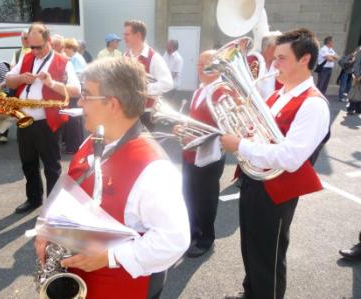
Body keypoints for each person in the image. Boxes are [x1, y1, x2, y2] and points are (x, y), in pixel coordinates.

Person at [35, 57, 189, 298]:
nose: (80, 101)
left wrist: (110, 256)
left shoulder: (155, 170)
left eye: (86, 95)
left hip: (123, 287)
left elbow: (173, 240)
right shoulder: (94, 140)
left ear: (113, 104)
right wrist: (49, 228)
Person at [221, 28, 330, 299]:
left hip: (277, 193)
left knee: (268, 257)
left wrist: (240, 145)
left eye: (281, 58)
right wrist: (243, 125)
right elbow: (259, 134)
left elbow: (291, 157)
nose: (273, 65)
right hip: (254, 182)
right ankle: (251, 293)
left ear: (304, 60)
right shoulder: (278, 94)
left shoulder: (313, 105)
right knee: (251, 248)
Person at [5, 23, 81, 214]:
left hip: (48, 121)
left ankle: (54, 205)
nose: (35, 51)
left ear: (48, 41)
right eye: (32, 47)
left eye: (39, 47)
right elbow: (8, 79)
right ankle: (33, 199)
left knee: (51, 166)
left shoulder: (64, 61)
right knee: (28, 163)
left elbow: (76, 90)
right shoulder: (27, 56)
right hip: (25, 119)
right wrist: (22, 77)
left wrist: (52, 83)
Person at [174, 50, 225, 258]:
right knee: (189, 194)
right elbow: (194, 118)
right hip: (190, 152)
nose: (199, 69)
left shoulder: (223, 91)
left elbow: (225, 129)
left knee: (206, 198)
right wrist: (182, 127)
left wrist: (194, 136)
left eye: (205, 65)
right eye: (198, 64)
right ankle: (193, 231)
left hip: (208, 155)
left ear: (217, 67)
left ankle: (206, 237)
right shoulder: (201, 89)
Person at [123, 20, 173, 131]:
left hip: (145, 112)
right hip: (127, 110)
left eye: (127, 34)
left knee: (142, 146)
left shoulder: (154, 57)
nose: (124, 37)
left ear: (138, 35)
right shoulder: (125, 55)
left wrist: (142, 89)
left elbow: (168, 83)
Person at [255, 31, 282, 100]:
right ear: (268, 47)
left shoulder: (279, 64)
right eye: (278, 47)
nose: (281, 50)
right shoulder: (252, 61)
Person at [347, 46, 361, 114]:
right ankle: (351, 108)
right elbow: (357, 64)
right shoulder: (360, 51)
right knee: (355, 91)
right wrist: (358, 75)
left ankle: (358, 109)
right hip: (359, 75)